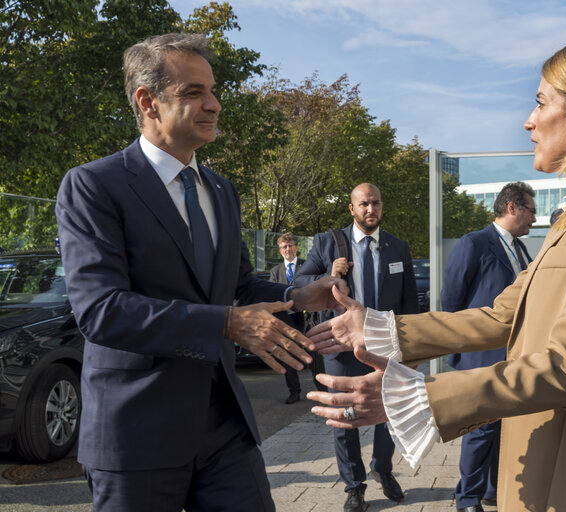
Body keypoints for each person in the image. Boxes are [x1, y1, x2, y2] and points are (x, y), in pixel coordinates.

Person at [306, 39, 566, 512]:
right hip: (543, 448)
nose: (529, 119)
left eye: (541, 102)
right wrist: (381, 328)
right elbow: (502, 315)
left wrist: (422, 398)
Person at [55, 33, 345, 512]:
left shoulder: (221, 191)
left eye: (213, 91)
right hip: (136, 432)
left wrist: (299, 295)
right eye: (193, 93)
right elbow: (101, 311)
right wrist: (227, 324)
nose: (213, 104)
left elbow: (238, 288)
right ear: (147, 102)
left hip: (224, 426)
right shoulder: (93, 185)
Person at [294, 182, 418, 512]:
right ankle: (354, 485)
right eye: (363, 204)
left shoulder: (398, 247)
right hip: (341, 346)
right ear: (352, 208)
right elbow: (297, 284)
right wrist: (325, 274)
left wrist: (412, 347)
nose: (370, 209)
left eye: (375, 203)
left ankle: (383, 468)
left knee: (389, 411)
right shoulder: (327, 243)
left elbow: (409, 301)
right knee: (345, 416)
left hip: (385, 345)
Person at [442, 181, 534, 512]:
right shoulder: (474, 243)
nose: (534, 220)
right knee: (480, 431)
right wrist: (458, 351)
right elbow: (451, 299)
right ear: (512, 208)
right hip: (480, 357)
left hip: (512, 357)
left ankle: (493, 489)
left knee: (504, 426)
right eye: (531, 211)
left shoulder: (522, 250)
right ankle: (467, 498)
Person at [269, 232, 310, 404]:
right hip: (285, 318)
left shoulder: (306, 266)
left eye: (291, 245)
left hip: (306, 317)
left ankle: (324, 390)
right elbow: (270, 294)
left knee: (314, 354)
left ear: (296, 247)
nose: (288, 249)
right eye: (284, 246)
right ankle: (294, 391)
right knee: (287, 354)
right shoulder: (275, 271)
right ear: (280, 250)